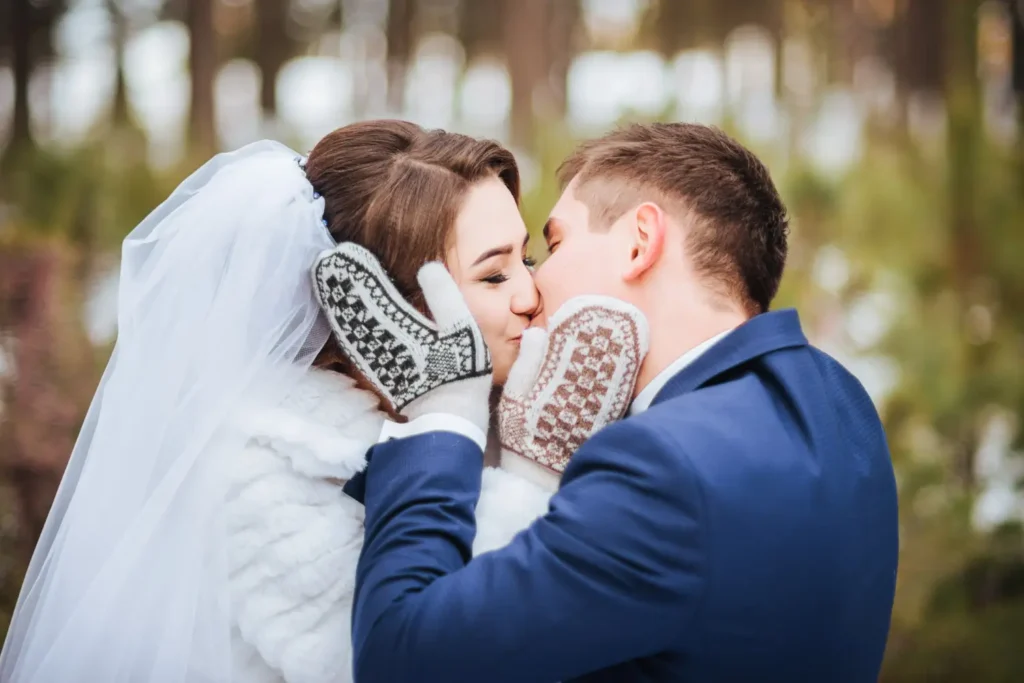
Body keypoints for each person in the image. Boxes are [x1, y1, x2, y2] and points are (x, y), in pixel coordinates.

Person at [0, 121, 647, 683]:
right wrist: (533, 475)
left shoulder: (479, 407)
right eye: (493, 273)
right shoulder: (255, 475)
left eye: (526, 257)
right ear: (387, 308)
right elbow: (425, 659)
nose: (532, 295)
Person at [324, 122, 900, 682]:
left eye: (552, 245)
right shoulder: (836, 397)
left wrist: (443, 417)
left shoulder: (662, 468)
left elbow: (398, 658)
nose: (536, 286)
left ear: (639, 243)